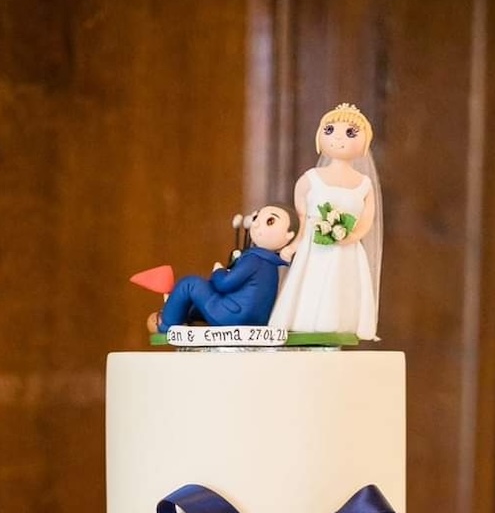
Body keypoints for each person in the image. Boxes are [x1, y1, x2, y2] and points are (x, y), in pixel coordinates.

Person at [269, 103, 380, 340]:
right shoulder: (311, 179)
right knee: (313, 284)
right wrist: (295, 244)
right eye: (330, 130)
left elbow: (367, 219)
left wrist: (350, 236)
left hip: (346, 250)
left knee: (343, 287)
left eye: (350, 133)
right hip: (315, 248)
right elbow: (302, 216)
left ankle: (340, 325)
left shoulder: (364, 184)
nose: (339, 138)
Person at [148, 206, 296, 333]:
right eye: (257, 217)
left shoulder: (254, 259)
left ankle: (165, 325)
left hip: (233, 316)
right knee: (200, 298)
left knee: (189, 284)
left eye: (270, 221)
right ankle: (184, 314)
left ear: (289, 235)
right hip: (252, 319)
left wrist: (218, 271)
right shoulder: (270, 265)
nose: (257, 225)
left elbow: (224, 284)